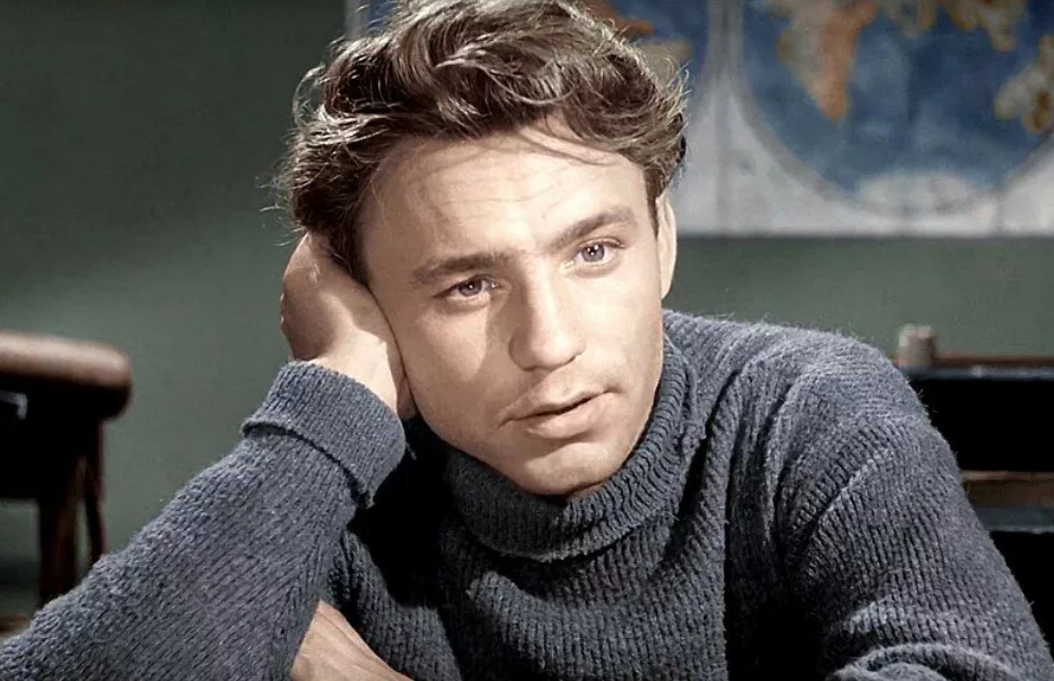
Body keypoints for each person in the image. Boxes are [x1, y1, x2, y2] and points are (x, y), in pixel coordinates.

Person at [2, 0, 1052, 679]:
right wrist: (334, 399)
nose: (548, 344)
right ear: (367, 305)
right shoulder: (336, 475)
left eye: (592, 252)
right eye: (467, 286)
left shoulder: (810, 413)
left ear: (660, 240)